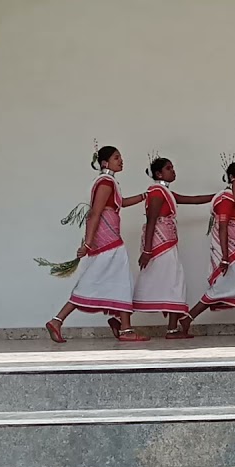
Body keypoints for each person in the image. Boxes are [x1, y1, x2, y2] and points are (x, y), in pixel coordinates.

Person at [46, 146, 148, 343]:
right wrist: (88, 243)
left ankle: (121, 325)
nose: (121, 160)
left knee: (116, 279)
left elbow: (121, 203)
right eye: (116, 157)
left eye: (121, 157)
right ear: (104, 163)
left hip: (109, 239)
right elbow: (94, 213)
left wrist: (145, 195)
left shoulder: (109, 183)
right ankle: (59, 320)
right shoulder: (105, 183)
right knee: (109, 280)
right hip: (108, 241)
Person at [136, 157, 215, 339]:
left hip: (167, 244)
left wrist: (219, 195)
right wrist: (147, 251)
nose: (173, 171)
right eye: (169, 168)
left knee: (166, 283)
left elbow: (194, 200)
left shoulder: (165, 192)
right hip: (160, 246)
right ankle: (169, 329)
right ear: (159, 174)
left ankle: (169, 327)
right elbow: (151, 221)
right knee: (173, 283)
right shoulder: (156, 193)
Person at [181, 161, 235, 337]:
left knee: (234, 287)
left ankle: (187, 319)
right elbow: (223, 228)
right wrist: (225, 257)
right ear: (233, 178)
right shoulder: (225, 199)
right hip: (230, 253)